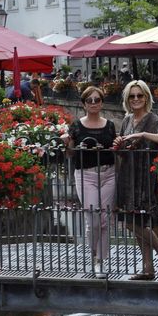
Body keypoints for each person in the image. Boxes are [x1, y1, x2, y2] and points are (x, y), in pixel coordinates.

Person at [113, 80, 158, 280]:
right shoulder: (127, 120)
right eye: (132, 96)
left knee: (137, 221)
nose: (136, 99)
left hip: (145, 176)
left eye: (140, 95)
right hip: (127, 176)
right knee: (133, 220)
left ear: (146, 97)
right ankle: (148, 268)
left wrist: (144, 134)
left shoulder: (152, 119)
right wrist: (119, 144)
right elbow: (122, 151)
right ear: (127, 99)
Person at [61, 86, 117, 279]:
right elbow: (69, 154)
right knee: (92, 219)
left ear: (102, 102)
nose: (94, 103)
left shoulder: (109, 125)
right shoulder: (76, 126)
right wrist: (67, 142)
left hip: (109, 174)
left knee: (104, 220)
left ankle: (101, 261)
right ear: (84, 104)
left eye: (97, 100)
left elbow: (115, 148)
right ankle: (94, 256)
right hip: (86, 175)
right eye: (90, 100)